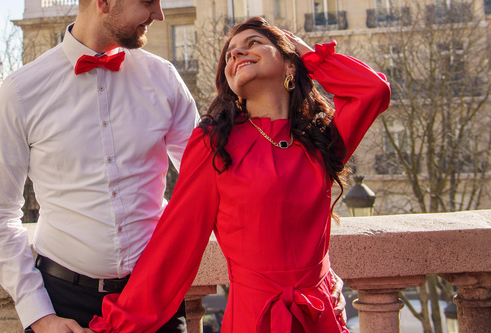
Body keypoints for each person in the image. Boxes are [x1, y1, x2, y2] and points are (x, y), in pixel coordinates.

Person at [89, 17, 391, 333]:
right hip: (254, 318)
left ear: (289, 64)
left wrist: (309, 56)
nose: (236, 54)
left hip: (321, 315)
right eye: (230, 54)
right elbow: (175, 243)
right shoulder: (215, 145)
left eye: (253, 43)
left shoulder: (320, 141)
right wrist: (117, 324)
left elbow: (373, 91)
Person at [0, 0, 199, 333]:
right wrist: (40, 315)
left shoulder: (164, 80)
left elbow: (206, 180)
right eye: (148, 2)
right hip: (63, 301)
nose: (160, 14)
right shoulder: (20, 91)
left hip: (157, 297)